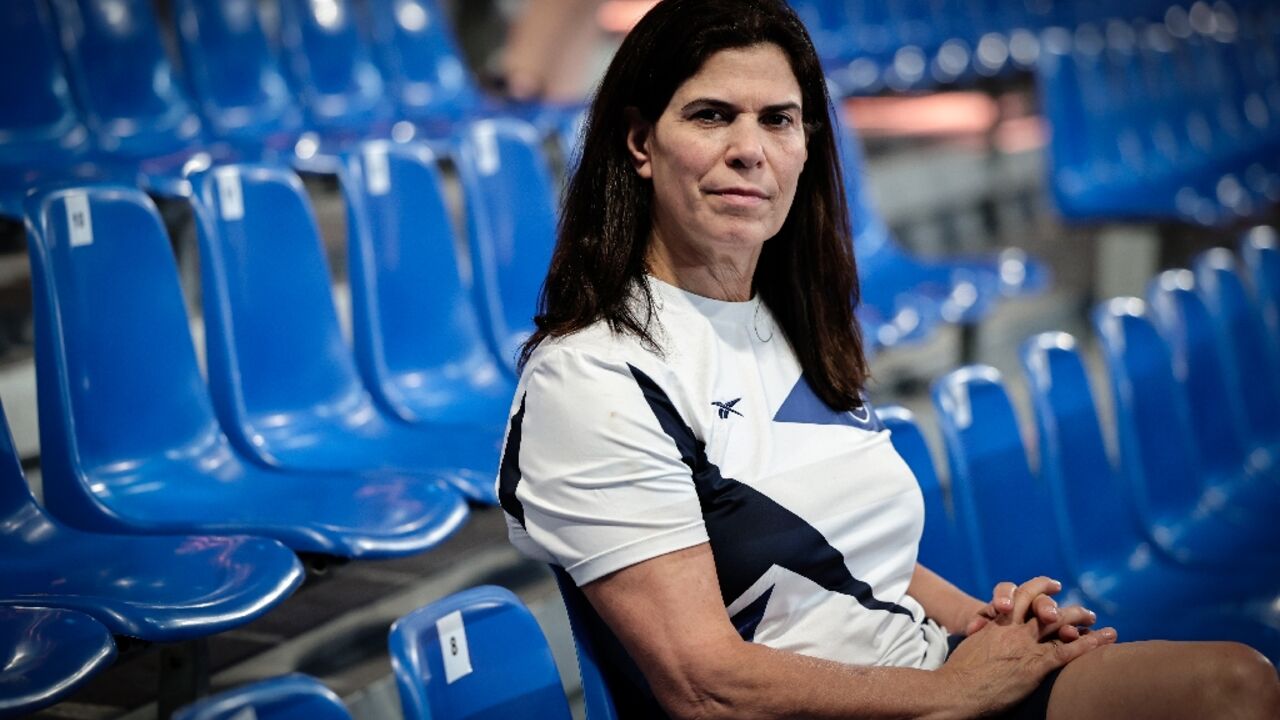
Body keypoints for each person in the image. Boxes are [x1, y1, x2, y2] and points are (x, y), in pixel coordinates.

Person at [496, 1, 1280, 718]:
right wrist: (951, 692)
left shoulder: (786, 319)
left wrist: (984, 626)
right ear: (640, 142)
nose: (749, 150)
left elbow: (853, 553)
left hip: (919, 674)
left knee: (1235, 683)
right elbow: (704, 686)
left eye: (778, 120)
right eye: (712, 116)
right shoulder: (593, 378)